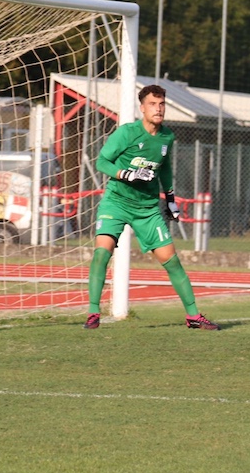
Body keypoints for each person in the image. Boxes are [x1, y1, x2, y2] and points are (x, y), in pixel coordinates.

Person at [83, 84, 219, 331]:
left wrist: (170, 199)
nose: (158, 109)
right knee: (102, 252)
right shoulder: (127, 133)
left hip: (147, 209)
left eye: (162, 104)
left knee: (172, 261)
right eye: (153, 104)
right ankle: (93, 312)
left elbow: (164, 168)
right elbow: (102, 161)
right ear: (142, 108)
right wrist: (124, 173)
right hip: (116, 202)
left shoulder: (167, 136)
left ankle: (193, 316)